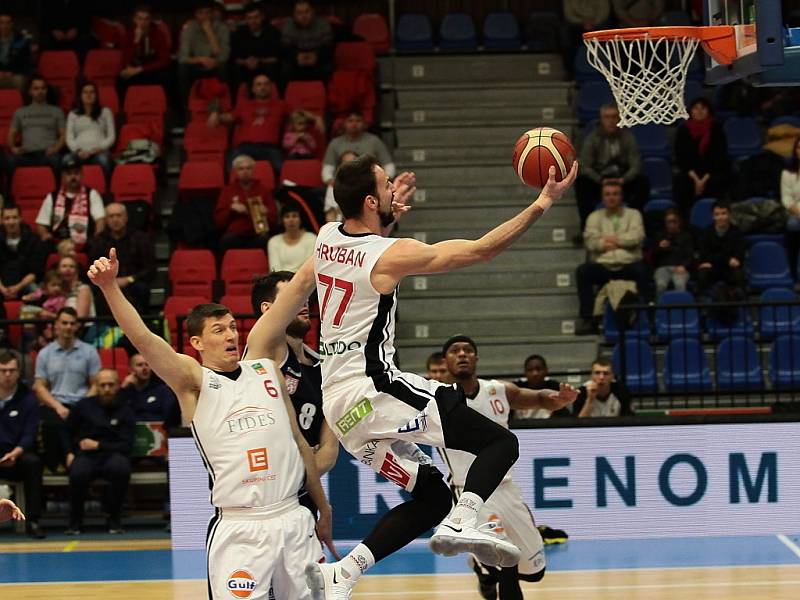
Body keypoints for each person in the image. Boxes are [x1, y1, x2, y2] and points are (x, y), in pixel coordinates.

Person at [266, 153, 579, 599]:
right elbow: (481, 249)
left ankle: (343, 574)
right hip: (373, 389)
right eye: (387, 184)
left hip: (342, 409)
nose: (395, 187)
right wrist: (543, 202)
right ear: (371, 201)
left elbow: (364, 261)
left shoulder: (327, 236)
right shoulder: (390, 254)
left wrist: (384, 220)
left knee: (432, 495)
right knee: (500, 443)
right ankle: (464, 518)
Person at [88, 248, 335, 599]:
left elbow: (299, 446)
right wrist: (110, 287)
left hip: (294, 518)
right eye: (219, 330)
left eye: (233, 327)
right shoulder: (193, 380)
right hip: (240, 527)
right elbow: (143, 338)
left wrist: (323, 508)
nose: (231, 336)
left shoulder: (266, 370)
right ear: (197, 343)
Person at [439, 336, 576, 600]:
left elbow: (538, 398)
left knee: (535, 571)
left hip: (506, 489)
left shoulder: (498, 390)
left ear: (477, 359)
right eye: (455, 351)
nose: (462, 354)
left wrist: (558, 398)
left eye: (468, 350)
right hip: (470, 495)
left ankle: (482, 570)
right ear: (445, 361)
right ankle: (489, 569)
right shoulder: (434, 397)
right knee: (507, 565)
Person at [250, 271, 340, 499]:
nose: (303, 303)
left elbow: (329, 448)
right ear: (267, 310)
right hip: (263, 485)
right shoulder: (266, 350)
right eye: (293, 297)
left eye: (305, 297)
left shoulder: (325, 367)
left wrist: (299, 481)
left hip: (301, 486)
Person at [64, 368, 135, 534]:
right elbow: (66, 431)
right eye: (102, 385)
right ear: (96, 386)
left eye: (111, 385)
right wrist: (68, 452)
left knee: (121, 469)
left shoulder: (126, 410)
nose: (107, 389)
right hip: (86, 456)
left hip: (113, 454)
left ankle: (114, 519)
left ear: (118, 386)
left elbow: (127, 444)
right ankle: (75, 521)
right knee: (77, 473)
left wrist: (99, 445)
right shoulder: (83, 406)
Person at [575, 180, 649, 335]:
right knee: (583, 271)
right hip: (604, 265)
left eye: (615, 194)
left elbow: (637, 237)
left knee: (643, 271)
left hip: (628, 264)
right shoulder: (594, 217)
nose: (611, 198)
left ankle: (644, 316)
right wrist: (619, 240)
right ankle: (589, 320)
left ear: (621, 196)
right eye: (607, 194)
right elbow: (590, 241)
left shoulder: (634, 214)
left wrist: (610, 239)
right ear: (602, 198)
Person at [32, 307, 101, 472]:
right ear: (56, 325)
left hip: (82, 403)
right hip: (55, 404)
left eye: (72, 323)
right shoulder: (45, 354)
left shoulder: (89, 352)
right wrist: (58, 406)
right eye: (64, 323)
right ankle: (54, 465)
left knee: (86, 421)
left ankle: (77, 465)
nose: (68, 327)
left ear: (77, 326)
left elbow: (95, 384)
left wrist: (81, 405)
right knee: (50, 422)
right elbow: (40, 386)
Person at [575, 103, 649, 230]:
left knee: (642, 183)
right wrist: (600, 180)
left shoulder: (628, 137)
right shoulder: (592, 138)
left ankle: (634, 225)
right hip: (599, 179)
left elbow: (635, 164)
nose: (610, 121)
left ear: (619, 119)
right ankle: (586, 227)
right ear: (601, 119)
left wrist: (624, 179)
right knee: (581, 183)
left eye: (614, 117)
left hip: (622, 178)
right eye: (607, 117)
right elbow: (585, 166)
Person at [0, 349, 45, 538]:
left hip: (18, 456)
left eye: (12, 370)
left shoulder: (28, 399)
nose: (8, 375)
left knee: (33, 462)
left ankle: (32, 520)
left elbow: (30, 433)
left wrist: (15, 453)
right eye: (3, 370)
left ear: (19, 372)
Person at [210, 73, 286, 176]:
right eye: (258, 84)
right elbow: (228, 117)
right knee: (230, 169)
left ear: (271, 87)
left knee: (283, 170)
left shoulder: (281, 105)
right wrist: (215, 114)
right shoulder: (244, 105)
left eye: (265, 84)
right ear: (253, 89)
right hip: (245, 147)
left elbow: (299, 114)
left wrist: (315, 118)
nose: (262, 87)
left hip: (269, 147)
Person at [87, 202, 154, 314]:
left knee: (141, 289)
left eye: (119, 215)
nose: (115, 219)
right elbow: (92, 267)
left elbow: (150, 269)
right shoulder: (98, 241)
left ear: (126, 217)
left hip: (133, 283)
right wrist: (109, 281)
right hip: (106, 283)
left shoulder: (140, 238)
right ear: (106, 220)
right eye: (111, 216)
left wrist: (128, 279)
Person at [35, 153, 106, 252]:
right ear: (62, 176)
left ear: (81, 174)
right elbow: (41, 224)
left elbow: (100, 221)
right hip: (57, 244)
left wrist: (96, 237)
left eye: (76, 173)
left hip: (85, 244)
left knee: (98, 245)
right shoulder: (52, 197)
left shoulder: (92, 194)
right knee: (40, 246)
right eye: (69, 173)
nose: (73, 177)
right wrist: (45, 235)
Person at [673, 97, 730, 214]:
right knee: (681, 183)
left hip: (711, 172)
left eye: (703, 108)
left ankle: (718, 216)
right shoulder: (683, 130)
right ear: (691, 111)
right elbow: (681, 158)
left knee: (721, 180)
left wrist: (703, 180)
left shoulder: (717, 129)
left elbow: (720, 157)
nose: (699, 111)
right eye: (696, 108)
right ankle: (685, 218)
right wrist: (696, 180)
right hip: (691, 173)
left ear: (708, 111)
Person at [214, 154, 278, 255]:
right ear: (236, 171)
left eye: (248, 168)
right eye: (241, 169)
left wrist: (266, 212)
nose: (245, 171)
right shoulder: (227, 191)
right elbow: (219, 221)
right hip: (235, 234)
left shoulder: (263, 190)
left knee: (266, 240)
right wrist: (231, 210)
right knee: (225, 241)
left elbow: (275, 220)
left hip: (258, 233)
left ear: (253, 170)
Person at [177, 0, 230, 114]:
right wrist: (200, 59)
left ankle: (225, 107)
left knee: (224, 67)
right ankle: (187, 109)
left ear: (212, 13)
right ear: (196, 15)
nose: (205, 16)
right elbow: (182, 57)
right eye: (201, 13)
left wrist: (209, 32)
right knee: (182, 69)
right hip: (197, 64)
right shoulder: (189, 28)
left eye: (207, 13)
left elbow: (223, 56)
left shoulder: (221, 28)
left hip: (215, 64)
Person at [7, 76, 65, 176]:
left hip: (47, 154)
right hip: (26, 154)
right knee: (11, 160)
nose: (40, 91)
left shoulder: (56, 111)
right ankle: (7, 191)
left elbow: (63, 135)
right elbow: (11, 133)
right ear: (30, 91)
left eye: (43, 88)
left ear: (46, 91)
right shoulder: (20, 112)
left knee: (57, 160)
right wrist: (13, 148)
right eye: (36, 88)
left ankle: (57, 191)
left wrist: (55, 148)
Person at [322, 111, 395, 187]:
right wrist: (335, 184)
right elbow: (327, 171)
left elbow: (389, 166)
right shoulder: (335, 143)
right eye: (350, 121)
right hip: (342, 185)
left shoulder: (374, 141)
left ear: (364, 123)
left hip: (370, 185)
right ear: (344, 123)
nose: (354, 124)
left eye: (358, 121)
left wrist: (381, 182)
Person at [695, 200, 746, 298]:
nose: (721, 217)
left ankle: (743, 306)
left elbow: (739, 256)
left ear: (730, 215)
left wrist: (714, 259)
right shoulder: (706, 233)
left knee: (739, 275)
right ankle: (701, 306)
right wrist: (727, 259)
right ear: (713, 217)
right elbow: (704, 255)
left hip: (728, 269)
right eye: (717, 214)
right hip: (713, 269)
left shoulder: (737, 233)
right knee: (702, 274)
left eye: (724, 213)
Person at [65, 81, 116, 175]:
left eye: (92, 92)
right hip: (79, 153)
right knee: (66, 159)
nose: (88, 95)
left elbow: (111, 136)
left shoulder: (105, 112)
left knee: (104, 160)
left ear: (96, 95)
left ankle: (107, 188)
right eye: (85, 92)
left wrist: (99, 148)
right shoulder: (72, 114)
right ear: (80, 95)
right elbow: (69, 138)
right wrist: (78, 151)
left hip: (99, 151)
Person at [230, 2, 282, 92]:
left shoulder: (273, 32)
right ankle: (238, 100)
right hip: (245, 66)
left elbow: (276, 57)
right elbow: (234, 57)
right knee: (234, 69)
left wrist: (259, 61)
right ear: (245, 19)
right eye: (249, 18)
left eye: (256, 17)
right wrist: (245, 62)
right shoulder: (239, 33)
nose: (253, 21)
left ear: (262, 17)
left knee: (273, 67)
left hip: (265, 65)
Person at [119, 4, 172, 92]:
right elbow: (125, 61)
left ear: (150, 20)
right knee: (121, 78)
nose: (142, 22)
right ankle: (124, 105)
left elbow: (165, 60)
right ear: (134, 19)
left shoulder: (158, 34)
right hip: (135, 66)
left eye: (146, 19)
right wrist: (136, 41)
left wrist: (141, 69)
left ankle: (168, 105)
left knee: (167, 75)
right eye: (139, 18)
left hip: (152, 67)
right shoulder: (128, 35)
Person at [0, 204, 47, 301]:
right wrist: (2, 289)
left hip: (25, 284)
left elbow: (35, 272)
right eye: (7, 218)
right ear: (2, 221)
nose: (11, 222)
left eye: (14, 217)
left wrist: (17, 287)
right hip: (2, 284)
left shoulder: (34, 240)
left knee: (38, 293)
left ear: (20, 219)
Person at [280, 1, 333, 83]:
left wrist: (317, 56)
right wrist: (296, 57)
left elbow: (329, 47)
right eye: (299, 13)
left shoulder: (323, 24)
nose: (304, 16)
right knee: (285, 69)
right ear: (294, 14)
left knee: (328, 67)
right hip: (296, 60)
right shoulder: (288, 26)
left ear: (313, 11)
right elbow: (285, 48)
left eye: (307, 11)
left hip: (318, 59)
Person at [119, 353, 178, 424]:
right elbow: (117, 415)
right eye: (139, 365)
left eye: (147, 364)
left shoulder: (162, 390)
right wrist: (123, 387)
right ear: (130, 369)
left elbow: (170, 416)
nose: (144, 368)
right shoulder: (125, 391)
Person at [653, 208, 694, 296]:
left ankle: (681, 308)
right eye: (669, 222)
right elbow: (653, 257)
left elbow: (690, 256)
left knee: (679, 285)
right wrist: (659, 248)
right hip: (663, 268)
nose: (671, 225)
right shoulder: (660, 236)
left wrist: (684, 266)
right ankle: (659, 308)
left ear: (679, 222)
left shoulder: (686, 237)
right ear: (665, 223)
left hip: (679, 268)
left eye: (674, 221)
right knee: (661, 285)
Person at [267, 203, 317, 272]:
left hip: (306, 280)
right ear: (282, 221)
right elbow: (275, 270)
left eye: (294, 216)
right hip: (281, 281)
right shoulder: (273, 241)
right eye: (287, 217)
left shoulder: (312, 238)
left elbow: (309, 269)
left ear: (300, 219)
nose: (291, 220)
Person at [512, 354, 565, 420]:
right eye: (530, 370)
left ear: (546, 370)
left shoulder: (555, 388)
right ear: (525, 372)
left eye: (539, 369)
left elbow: (565, 417)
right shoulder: (516, 388)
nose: (535, 373)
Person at [781, 136, 800, 277]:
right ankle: (794, 273)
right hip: (796, 213)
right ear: (795, 151)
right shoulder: (787, 173)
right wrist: (797, 211)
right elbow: (786, 198)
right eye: (799, 147)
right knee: (792, 225)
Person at [0, 11, 33, 91]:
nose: (5, 26)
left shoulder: (21, 40)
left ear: (12, 24)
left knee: (19, 81)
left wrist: (12, 72)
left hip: (15, 74)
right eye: (2, 23)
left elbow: (26, 63)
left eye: (8, 23)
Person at [323, 150, 358, 223]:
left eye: (353, 163)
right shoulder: (333, 187)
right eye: (346, 164)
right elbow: (330, 218)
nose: (350, 167)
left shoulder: (368, 185)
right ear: (340, 167)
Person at [57, 254, 96, 319]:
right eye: (64, 266)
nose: (68, 269)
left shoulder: (83, 289)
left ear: (76, 270)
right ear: (58, 270)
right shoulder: (57, 290)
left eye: (71, 266)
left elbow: (80, 318)